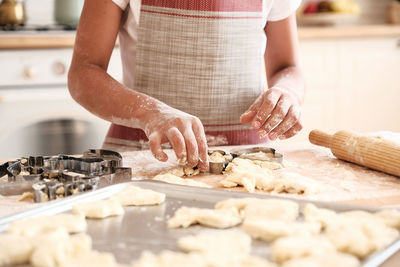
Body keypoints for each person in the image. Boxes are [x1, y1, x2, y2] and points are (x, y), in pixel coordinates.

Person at [68, 0, 305, 173]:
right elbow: (83, 73)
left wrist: (288, 93)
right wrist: (150, 113)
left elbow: (287, 67)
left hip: (246, 165)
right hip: (146, 163)